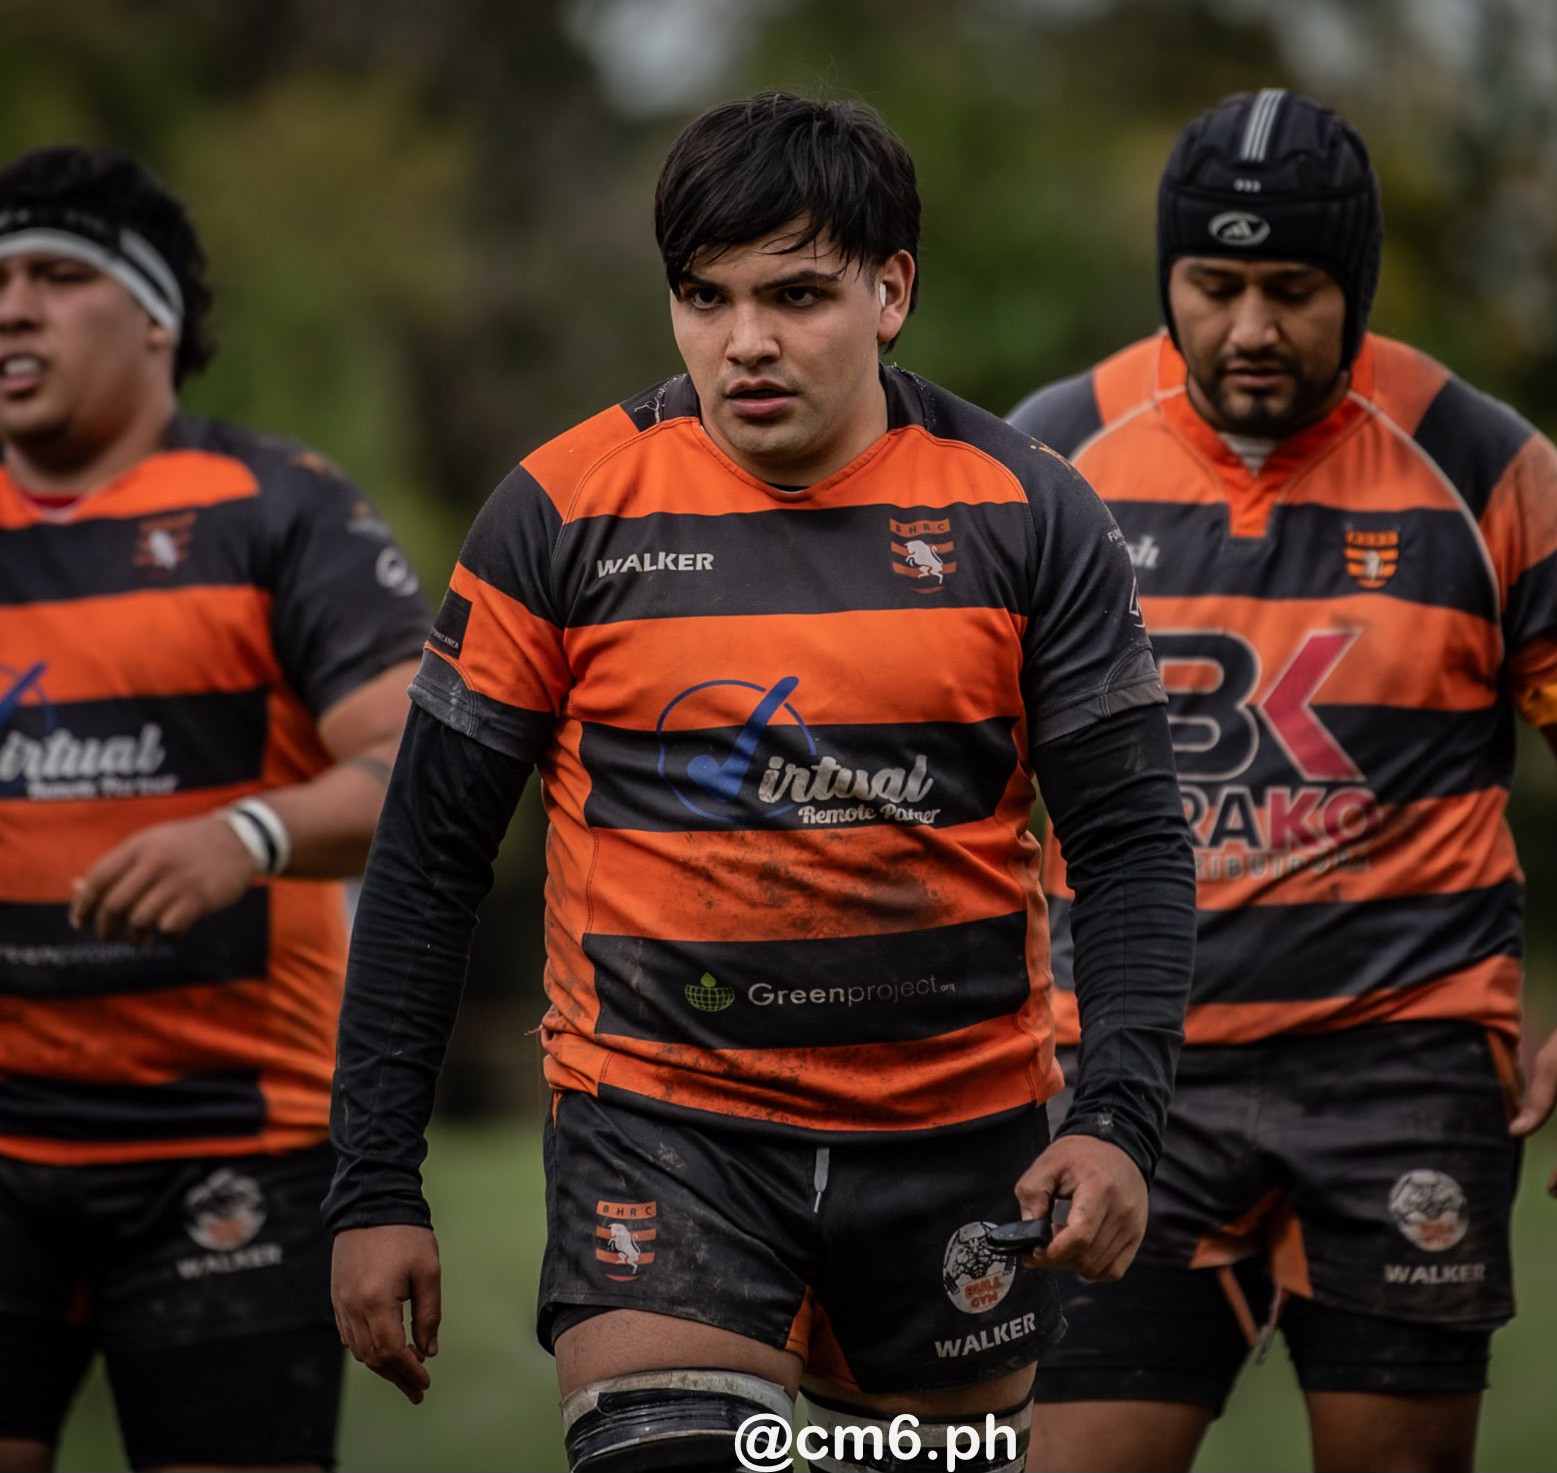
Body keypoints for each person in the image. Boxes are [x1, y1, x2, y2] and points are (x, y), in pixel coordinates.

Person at [325, 91, 1196, 1473]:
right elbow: (429, 862)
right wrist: (371, 1184)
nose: (745, 343)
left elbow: (1136, 845)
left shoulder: (1031, 513)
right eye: (704, 297)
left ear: (890, 289)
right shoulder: (559, 512)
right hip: (662, 1134)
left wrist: (1116, 1120)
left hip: (957, 1149)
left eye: (795, 294)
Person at [1011, 89, 1557, 1473]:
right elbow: (960, 752)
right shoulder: (1050, 458)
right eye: (1214, 285)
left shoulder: (1485, 462)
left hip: (1402, 1058)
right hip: (1126, 1062)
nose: (1250, 327)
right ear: (1166, 282)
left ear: (1354, 285)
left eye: (1292, 289)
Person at [0, 145, 431, 1472]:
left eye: (59, 277)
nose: (12, 307)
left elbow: (427, 774)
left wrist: (246, 834)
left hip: (235, 1150)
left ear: (155, 320)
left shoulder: (275, 507)